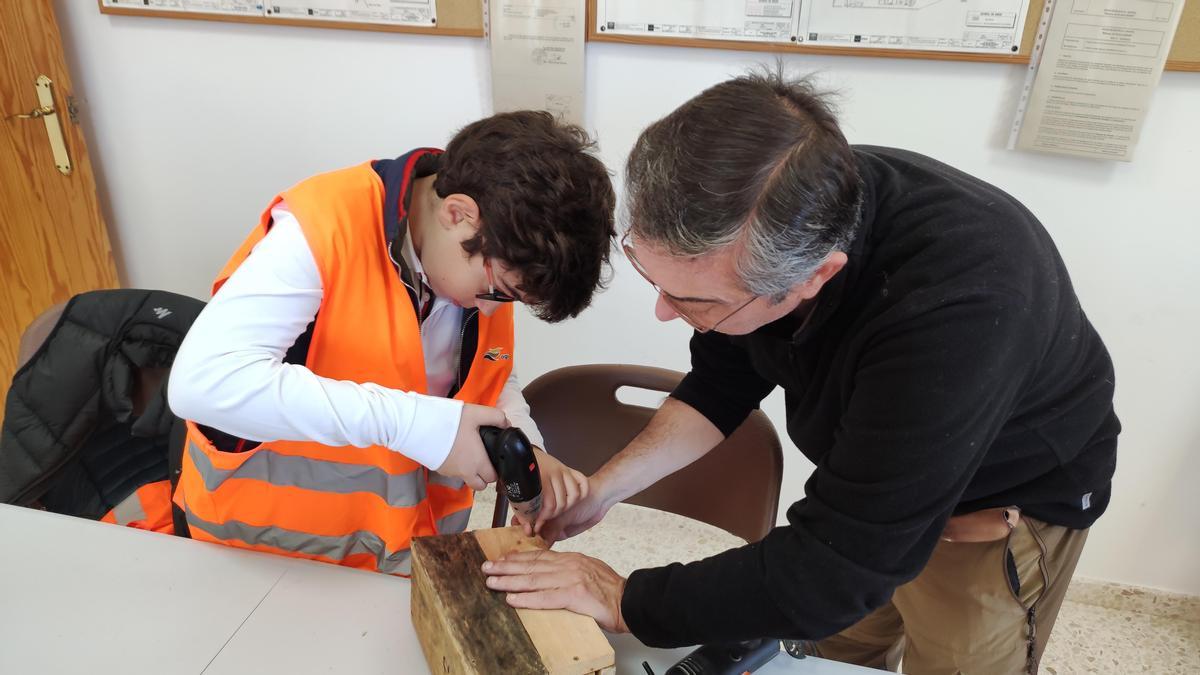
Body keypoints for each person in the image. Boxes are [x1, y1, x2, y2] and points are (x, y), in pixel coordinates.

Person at [481, 71, 1119, 674]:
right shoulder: (778, 203)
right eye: (654, 278)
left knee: (950, 651)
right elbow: (721, 385)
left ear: (817, 275)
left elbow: (836, 572)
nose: (662, 312)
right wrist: (603, 490)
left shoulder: (961, 306)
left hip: (994, 508)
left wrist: (625, 599)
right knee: (832, 650)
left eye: (694, 301)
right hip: (873, 489)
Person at [169, 111, 616, 574]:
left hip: (396, 561)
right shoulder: (322, 227)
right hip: (261, 562)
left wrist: (522, 444)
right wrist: (415, 425)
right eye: (497, 292)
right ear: (457, 214)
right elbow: (202, 384)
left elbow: (481, 371)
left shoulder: (488, 258)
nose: (491, 310)